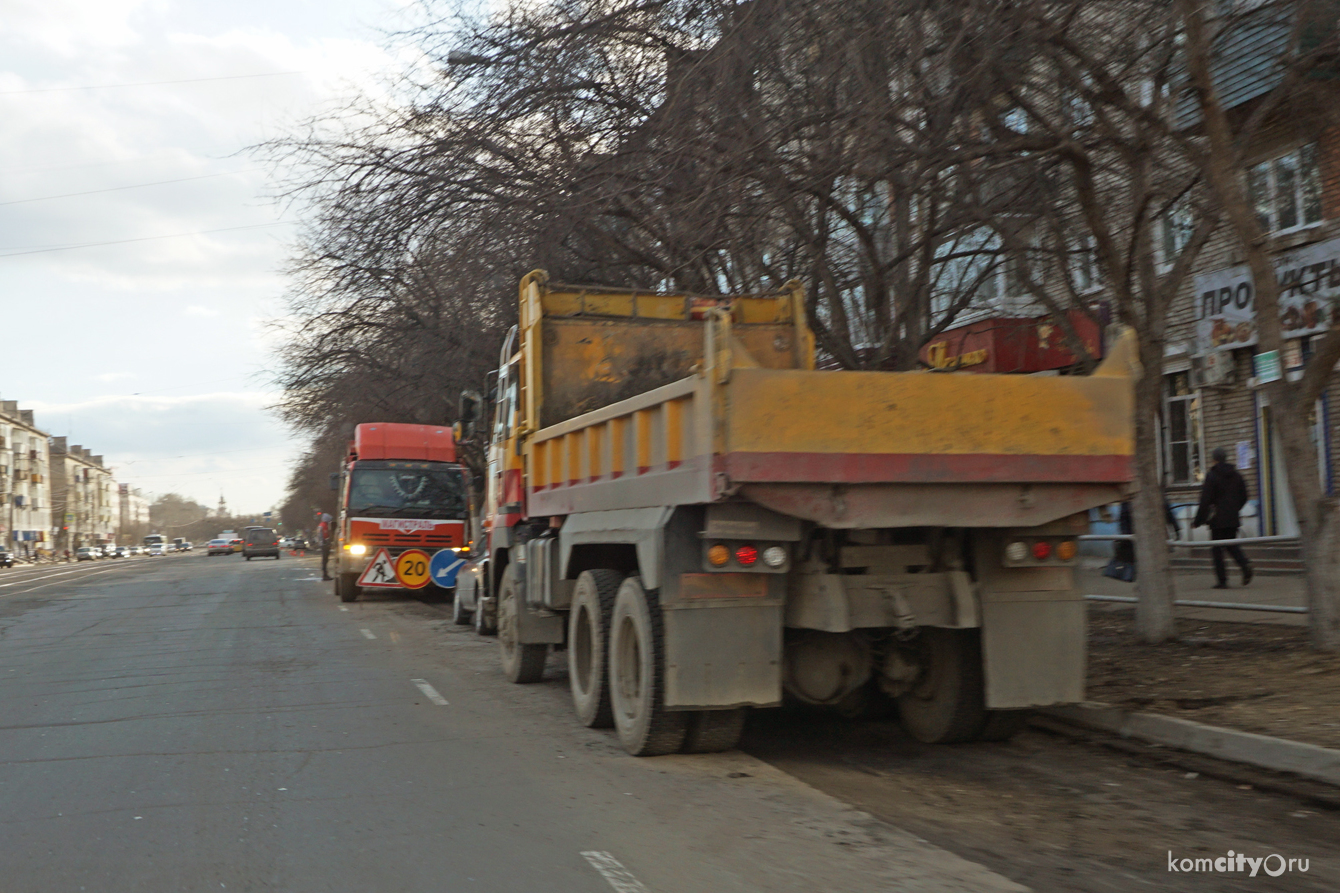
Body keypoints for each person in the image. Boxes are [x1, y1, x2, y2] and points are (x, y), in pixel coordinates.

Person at [1193, 447, 1253, 589]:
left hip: (1217, 520)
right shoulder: (1237, 475)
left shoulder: (1212, 476)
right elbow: (1244, 496)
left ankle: (1222, 581)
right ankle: (1244, 564)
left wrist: (1198, 521)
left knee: (1217, 550)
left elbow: (1205, 501)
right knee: (1231, 545)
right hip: (1232, 518)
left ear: (1214, 459)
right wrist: (1234, 509)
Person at [319, 512, 334, 581]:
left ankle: (325, 574)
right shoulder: (323, 525)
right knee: (325, 560)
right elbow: (322, 535)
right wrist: (325, 543)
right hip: (324, 545)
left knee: (325, 560)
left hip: (324, 544)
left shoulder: (323, 525)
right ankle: (325, 575)